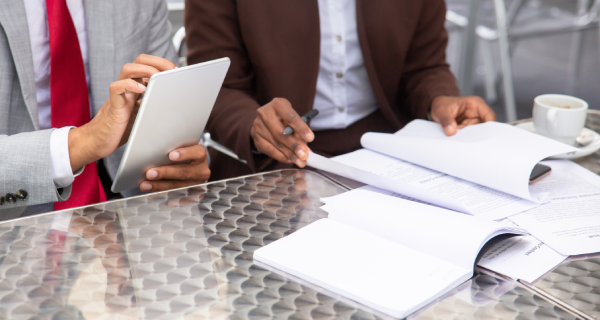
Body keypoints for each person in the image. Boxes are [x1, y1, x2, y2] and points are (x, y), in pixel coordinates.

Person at [185, 0, 497, 181]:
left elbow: (424, 65)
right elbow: (216, 85)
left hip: (387, 150)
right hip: (270, 167)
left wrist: (439, 100)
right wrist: (254, 129)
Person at [0, 0, 210, 215]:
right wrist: (83, 142)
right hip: (14, 214)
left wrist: (181, 160)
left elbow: (174, 107)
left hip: (126, 204)